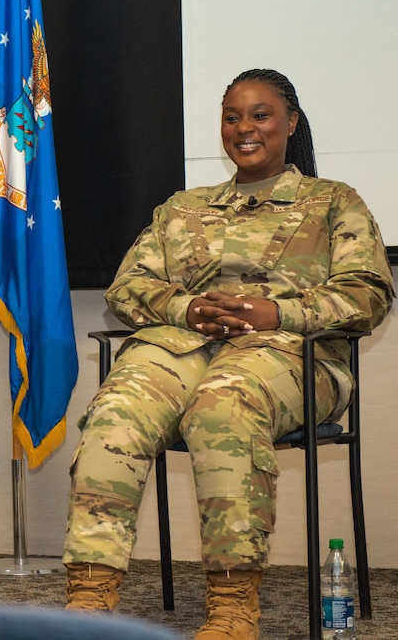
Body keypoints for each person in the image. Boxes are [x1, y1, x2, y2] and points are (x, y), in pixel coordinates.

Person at [62, 69, 394, 639]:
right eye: (232, 117)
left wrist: (277, 312)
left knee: (223, 406)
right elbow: (127, 289)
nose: (244, 128)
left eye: (260, 115)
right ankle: (89, 598)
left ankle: (233, 607)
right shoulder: (183, 208)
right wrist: (187, 308)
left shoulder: (332, 202)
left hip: (293, 355)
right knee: (115, 409)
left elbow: (369, 293)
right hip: (181, 347)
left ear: (291, 123)